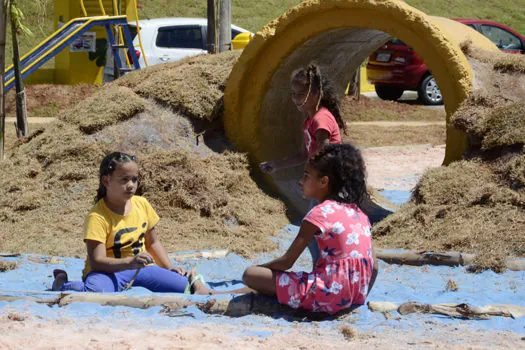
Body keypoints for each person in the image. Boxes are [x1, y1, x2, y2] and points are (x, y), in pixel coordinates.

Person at [243, 144, 379, 314]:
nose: (301, 182)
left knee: (250, 274)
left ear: (324, 181)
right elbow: (374, 267)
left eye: (306, 176)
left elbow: (286, 262)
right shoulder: (359, 214)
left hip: (327, 295)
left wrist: (262, 268)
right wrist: (358, 295)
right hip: (354, 296)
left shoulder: (318, 214)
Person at [51, 152, 208, 294]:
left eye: (134, 179)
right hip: (107, 273)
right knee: (95, 292)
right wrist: (130, 262)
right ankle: (62, 282)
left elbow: (152, 243)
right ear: (106, 181)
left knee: (185, 288)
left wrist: (169, 268)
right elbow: (97, 261)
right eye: (124, 179)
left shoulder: (142, 204)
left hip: (142, 270)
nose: (131, 185)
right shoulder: (97, 217)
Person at [259, 63, 347, 268]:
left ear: (317, 93)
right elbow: (304, 154)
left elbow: (324, 155)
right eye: (294, 94)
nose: (296, 99)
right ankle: (324, 266)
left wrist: (308, 179)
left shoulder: (321, 118)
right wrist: (277, 165)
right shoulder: (309, 120)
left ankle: (324, 267)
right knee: (314, 230)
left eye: (301, 94)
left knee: (311, 228)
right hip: (321, 183)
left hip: (331, 184)